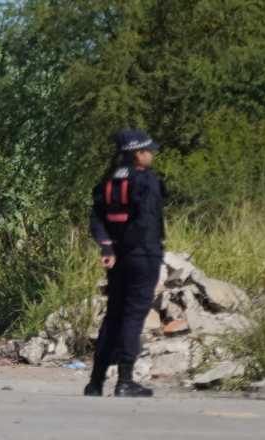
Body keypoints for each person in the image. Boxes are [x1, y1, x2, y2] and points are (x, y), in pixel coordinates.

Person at [85, 129, 166, 398]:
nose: (151, 155)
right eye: (147, 151)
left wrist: (109, 246)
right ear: (137, 153)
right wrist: (137, 249)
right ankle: (125, 381)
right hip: (142, 256)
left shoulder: (107, 181)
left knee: (114, 315)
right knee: (133, 316)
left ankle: (95, 382)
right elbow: (147, 221)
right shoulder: (146, 181)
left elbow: (96, 219)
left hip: (116, 258)